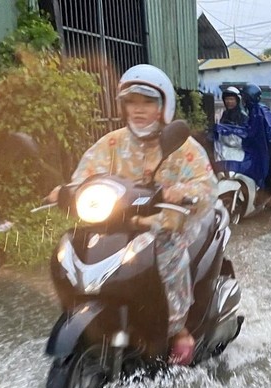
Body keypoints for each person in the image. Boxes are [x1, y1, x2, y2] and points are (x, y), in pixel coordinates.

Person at [50, 64, 218, 366]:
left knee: (167, 250)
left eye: (147, 102)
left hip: (166, 226)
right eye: (131, 102)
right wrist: (65, 191)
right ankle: (87, 308)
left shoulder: (183, 146)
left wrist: (181, 191)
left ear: (163, 107)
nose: (138, 109)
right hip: (116, 226)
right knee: (72, 245)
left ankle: (178, 330)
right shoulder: (111, 143)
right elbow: (85, 175)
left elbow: (206, 186)